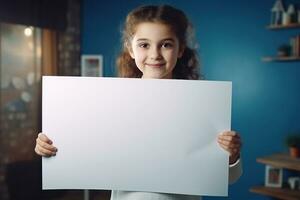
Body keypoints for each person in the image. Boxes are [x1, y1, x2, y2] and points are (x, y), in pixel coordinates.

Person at [35, 4, 242, 200]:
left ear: (180, 49)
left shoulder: (202, 105)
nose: (154, 54)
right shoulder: (110, 103)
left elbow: (227, 178)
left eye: (166, 44)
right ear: (131, 49)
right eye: (144, 44)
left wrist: (231, 157)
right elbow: (85, 149)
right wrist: (50, 149)